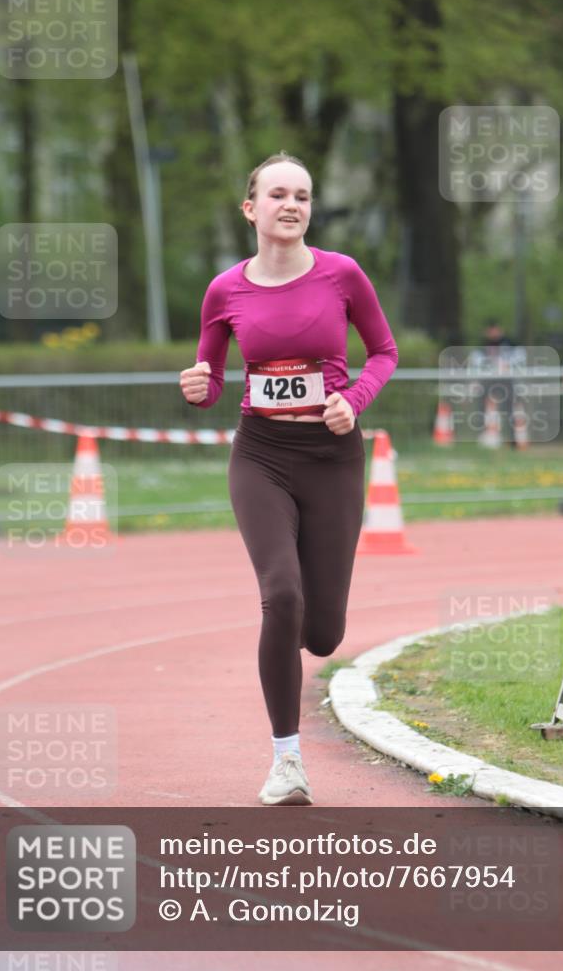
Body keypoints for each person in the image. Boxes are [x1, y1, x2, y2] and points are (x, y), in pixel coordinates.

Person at [180, 152, 398, 806]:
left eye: (301, 195)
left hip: (332, 459)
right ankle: (286, 762)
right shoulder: (225, 290)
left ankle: (310, 628)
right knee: (281, 594)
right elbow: (212, 378)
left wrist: (352, 400)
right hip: (261, 456)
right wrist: (199, 385)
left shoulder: (342, 275)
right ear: (251, 208)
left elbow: (383, 353)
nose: (291, 205)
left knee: (321, 632)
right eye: (277, 194)